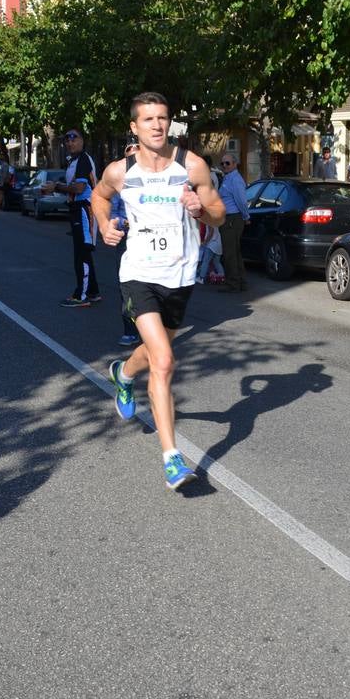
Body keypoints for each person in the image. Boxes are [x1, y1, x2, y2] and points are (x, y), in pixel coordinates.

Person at [91, 92, 226, 491]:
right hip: (138, 275)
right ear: (134, 127)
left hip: (180, 278)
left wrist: (201, 211)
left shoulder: (192, 165)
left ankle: (123, 372)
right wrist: (104, 225)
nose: (156, 125)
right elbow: (99, 197)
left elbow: (220, 214)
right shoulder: (120, 171)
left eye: (162, 118)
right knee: (164, 361)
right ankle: (172, 459)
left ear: (170, 123)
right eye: (148, 119)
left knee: (153, 355)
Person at [43, 130, 100, 307]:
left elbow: (79, 188)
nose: (70, 143)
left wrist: (57, 186)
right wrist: (54, 187)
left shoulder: (83, 159)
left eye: (74, 139)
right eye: (67, 140)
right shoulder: (73, 161)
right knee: (83, 253)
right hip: (77, 209)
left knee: (81, 254)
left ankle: (80, 296)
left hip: (85, 210)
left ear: (82, 141)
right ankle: (92, 291)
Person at [111, 143, 141, 347]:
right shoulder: (119, 185)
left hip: (152, 242)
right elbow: (113, 214)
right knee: (127, 286)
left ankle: (152, 327)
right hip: (128, 240)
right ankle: (130, 330)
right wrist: (123, 222)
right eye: (129, 158)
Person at [216, 153, 250, 292]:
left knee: (230, 253)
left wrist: (246, 216)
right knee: (234, 252)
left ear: (235, 164)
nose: (224, 166)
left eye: (227, 163)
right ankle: (241, 281)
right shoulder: (228, 178)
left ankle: (233, 283)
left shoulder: (235, 179)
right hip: (229, 218)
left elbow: (241, 201)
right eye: (222, 163)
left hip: (232, 219)